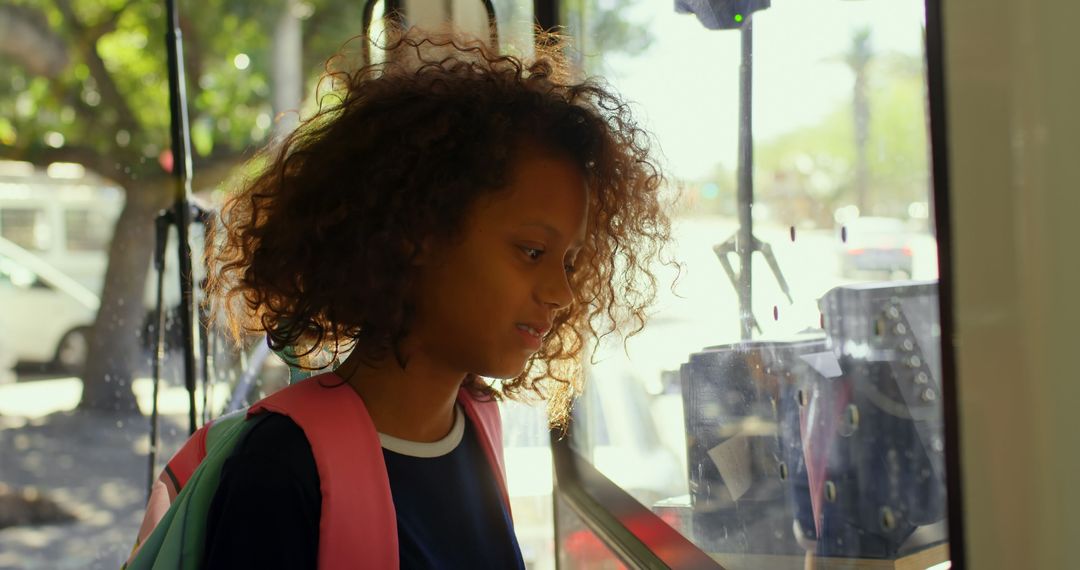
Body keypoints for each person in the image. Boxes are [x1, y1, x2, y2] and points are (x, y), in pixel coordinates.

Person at [198, 25, 674, 569]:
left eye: (570, 261)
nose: (562, 292)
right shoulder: (281, 468)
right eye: (532, 251)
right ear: (416, 235)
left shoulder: (476, 425)